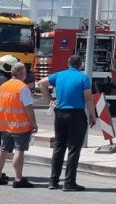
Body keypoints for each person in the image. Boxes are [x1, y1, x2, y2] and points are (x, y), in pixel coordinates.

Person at [39, 54, 97, 192]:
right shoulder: (83, 78)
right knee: (73, 149)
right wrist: (92, 115)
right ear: (80, 64)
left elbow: (41, 83)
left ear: (68, 63)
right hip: (76, 114)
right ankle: (69, 182)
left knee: (59, 147)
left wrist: (50, 101)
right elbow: (88, 98)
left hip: (59, 114)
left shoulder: (59, 75)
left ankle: (53, 181)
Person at [0, 61, 38, 188]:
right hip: (20, 126)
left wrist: (2, 112)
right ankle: (18, 179)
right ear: (21, 73)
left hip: (5, 124)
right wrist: (34, 123)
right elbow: (28, 108)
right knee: (19, 150)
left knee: (3, 149)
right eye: (25, 72)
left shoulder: (5, 86)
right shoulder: (23, 87)